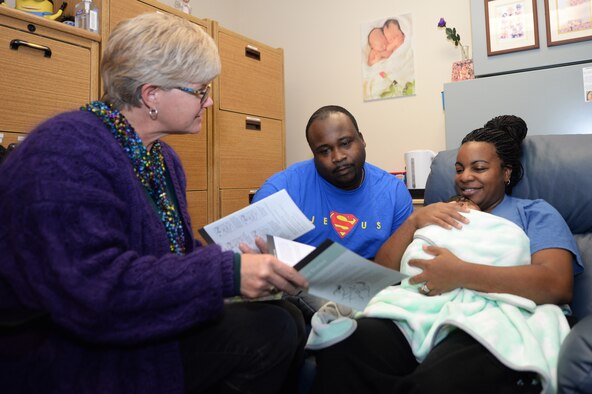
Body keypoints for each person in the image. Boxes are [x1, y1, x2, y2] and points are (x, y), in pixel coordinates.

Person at [0, 12, 309, 394]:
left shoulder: (162, 158)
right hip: (68, 352)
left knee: (288, 314)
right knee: (269, 331)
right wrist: (225, 274)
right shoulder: (64, 152)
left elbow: (171, 258)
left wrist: (243, 267)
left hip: (128, 322)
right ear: (151, 95)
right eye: (200, 90)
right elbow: (94, 290)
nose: (209, 101)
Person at [311, 115, 584, 393]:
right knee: (344, 348)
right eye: (459, 168)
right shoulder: (438, 212)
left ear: (506, 172)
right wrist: (414, 222)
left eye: (479, 168)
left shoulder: (534, 213)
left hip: (493, 315)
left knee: (436, 383)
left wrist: (460, 274)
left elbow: (556, 284)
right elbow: (377, 278)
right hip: (421, 310)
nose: (465, 177)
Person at [251, 105, 412, 316]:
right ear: (314, 154)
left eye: (345, 143)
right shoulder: (282, 189)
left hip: (370, 287)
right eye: (324, 151)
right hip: (303, 285)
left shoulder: (393, 192)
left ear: (362, 139)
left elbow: (404, 266)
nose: (338, 156)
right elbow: (253, 255)